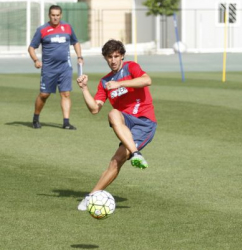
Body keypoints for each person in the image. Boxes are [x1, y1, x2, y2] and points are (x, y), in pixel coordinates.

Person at [76, 39, 157, 211]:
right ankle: (91, 198)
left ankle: (134, 153)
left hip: (144, 122)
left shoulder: (131, 67)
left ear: (122, 56)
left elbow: (147, 80)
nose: (113, 60)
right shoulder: (105, 82)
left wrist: (120, 83)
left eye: (116, 56)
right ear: (105, 58)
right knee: (112, 114)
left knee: (116, 160)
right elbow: (94, 109)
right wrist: (84, 88)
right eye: (109, 57)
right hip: (125, 122)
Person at [28, 5, 83, 129]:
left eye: (57, 15)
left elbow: (76, 42)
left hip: (65, 67)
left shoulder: (67, 27)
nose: (55, 18)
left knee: (66, 94)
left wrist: (80, 56)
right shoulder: (42, 30)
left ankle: (66, 122)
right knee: (44, 95)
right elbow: (31, 47)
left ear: (61, 15)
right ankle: (36, 118)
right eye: (53, 15)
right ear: (49, 15)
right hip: (48, 69)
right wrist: (36, 60)